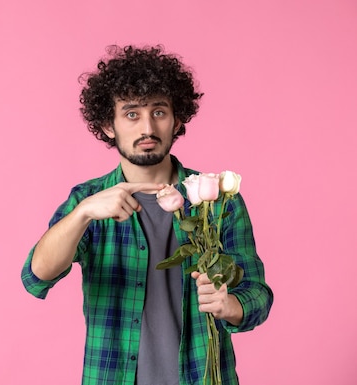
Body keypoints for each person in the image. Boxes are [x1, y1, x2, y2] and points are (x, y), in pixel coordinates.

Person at [21, 45, 273, 385]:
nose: (147, 128)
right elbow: (37, 275)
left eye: (159, 112)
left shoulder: (219, 199)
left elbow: (257, 292)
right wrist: (82, 214)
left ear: (177, 119)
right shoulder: (88, 201)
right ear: (108, 126)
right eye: (131, 114)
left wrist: (231, 306)